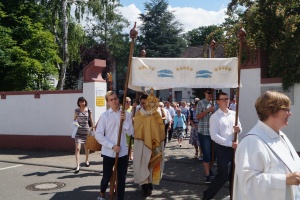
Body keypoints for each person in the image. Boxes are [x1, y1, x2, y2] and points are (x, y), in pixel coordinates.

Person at [233, 91, 300, 200]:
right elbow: (248, 183)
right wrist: (284, 180)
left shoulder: (280, 135)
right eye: (286, 110)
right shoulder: (252, 142)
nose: (289, 113)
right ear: (271, 111)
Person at [202, 92, 242, 200]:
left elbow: (240, 128)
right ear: (218, 101)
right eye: (223, 99)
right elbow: (214, 136)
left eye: (227, 99)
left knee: (234, 177)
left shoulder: (234, 114)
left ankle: (234, 197)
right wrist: (229, 144)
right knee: (223, 175)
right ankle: (207, 195)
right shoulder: (215, 117)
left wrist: (238, 130)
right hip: (223, 148)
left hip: (235, 149)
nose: (226, 101)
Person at [95, 91, 134, 200]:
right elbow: (98, 135)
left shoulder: (126, 114)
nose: (114, 101)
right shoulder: (105, 116)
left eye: (115, 98)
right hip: (109, 152)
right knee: (106, 177)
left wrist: (125, 121)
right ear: (107, 102)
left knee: (122, 178)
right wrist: (112, 146)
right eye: (111, 100)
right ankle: (102, 193)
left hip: (122, 153)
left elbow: (131, 132)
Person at [133, 92, 165, 197]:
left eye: (145, 103)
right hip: (141, 143)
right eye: (142, 103)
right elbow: (136, 127)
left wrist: (151, 120)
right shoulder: (138, 113)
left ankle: (150, 184)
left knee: (152, 164)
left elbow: (161, 127)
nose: (143, 105)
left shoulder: (156, 113)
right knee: (142, 164)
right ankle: (144, 187)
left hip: (154, 143)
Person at [196, 88, 215, 183]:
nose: (210, 94)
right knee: (207, 154)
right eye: (209, 92)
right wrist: (208, 111)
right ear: (205, 93)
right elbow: (197, 116)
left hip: (214, 133)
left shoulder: (215, 103)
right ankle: (207, 175)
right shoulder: (201, 103)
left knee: (213, 155)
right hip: (204, 132)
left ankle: (209, 169)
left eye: (212, 92)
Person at [73, 96, 95, 174]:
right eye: (80, 102)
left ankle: (87, 160)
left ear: (85, 102)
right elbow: (74, 119)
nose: (81, 103)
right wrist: (76, 122)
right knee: (78, 148)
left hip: (86, 131)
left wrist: (93, 127)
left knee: (86, 147)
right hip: (78, 132)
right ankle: (78, 165)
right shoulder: (77, 110)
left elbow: (91, 119)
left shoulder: (88, 110)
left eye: (83, 101)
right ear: (78, 103)